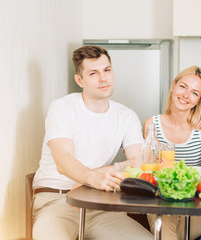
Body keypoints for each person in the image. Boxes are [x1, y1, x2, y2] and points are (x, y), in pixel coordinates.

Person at [31, 45, 153, 240]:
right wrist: (93, 178)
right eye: (93, 73)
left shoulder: (126, 116)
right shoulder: (62, 108)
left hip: (100, 205)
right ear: (80, 80)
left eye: (107, 70)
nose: (103, 78)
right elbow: (63, 161)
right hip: (57, 201)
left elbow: (138, 162)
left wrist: (93, 176)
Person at [143, 66, 201, 240]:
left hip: (198, 204)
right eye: (183, 87)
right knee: (166, 230)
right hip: (162, 201)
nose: (186, 95)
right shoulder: (152, 125)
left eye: (194, 93)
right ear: (173, 86)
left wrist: (183, 185)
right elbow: (150, 169)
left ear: (200, 100)